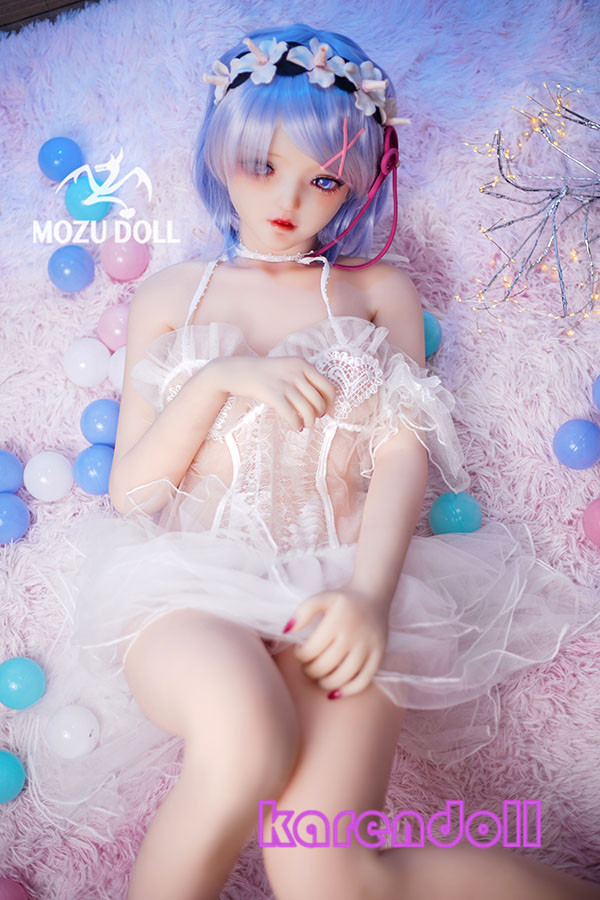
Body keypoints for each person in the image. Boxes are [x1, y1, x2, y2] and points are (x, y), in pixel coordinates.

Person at [23, 22, 600, 900]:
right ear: (219, 155)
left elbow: (403, 453)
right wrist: (217, 380)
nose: (289, 199)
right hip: (188, 588)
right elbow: (132, 495)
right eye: (262, 165)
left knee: (330, 875)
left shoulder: (374, 292)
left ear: (357, 184)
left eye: (323, 179)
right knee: (242, 738)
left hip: (338, 584)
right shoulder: (173, 295)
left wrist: (370, 595)